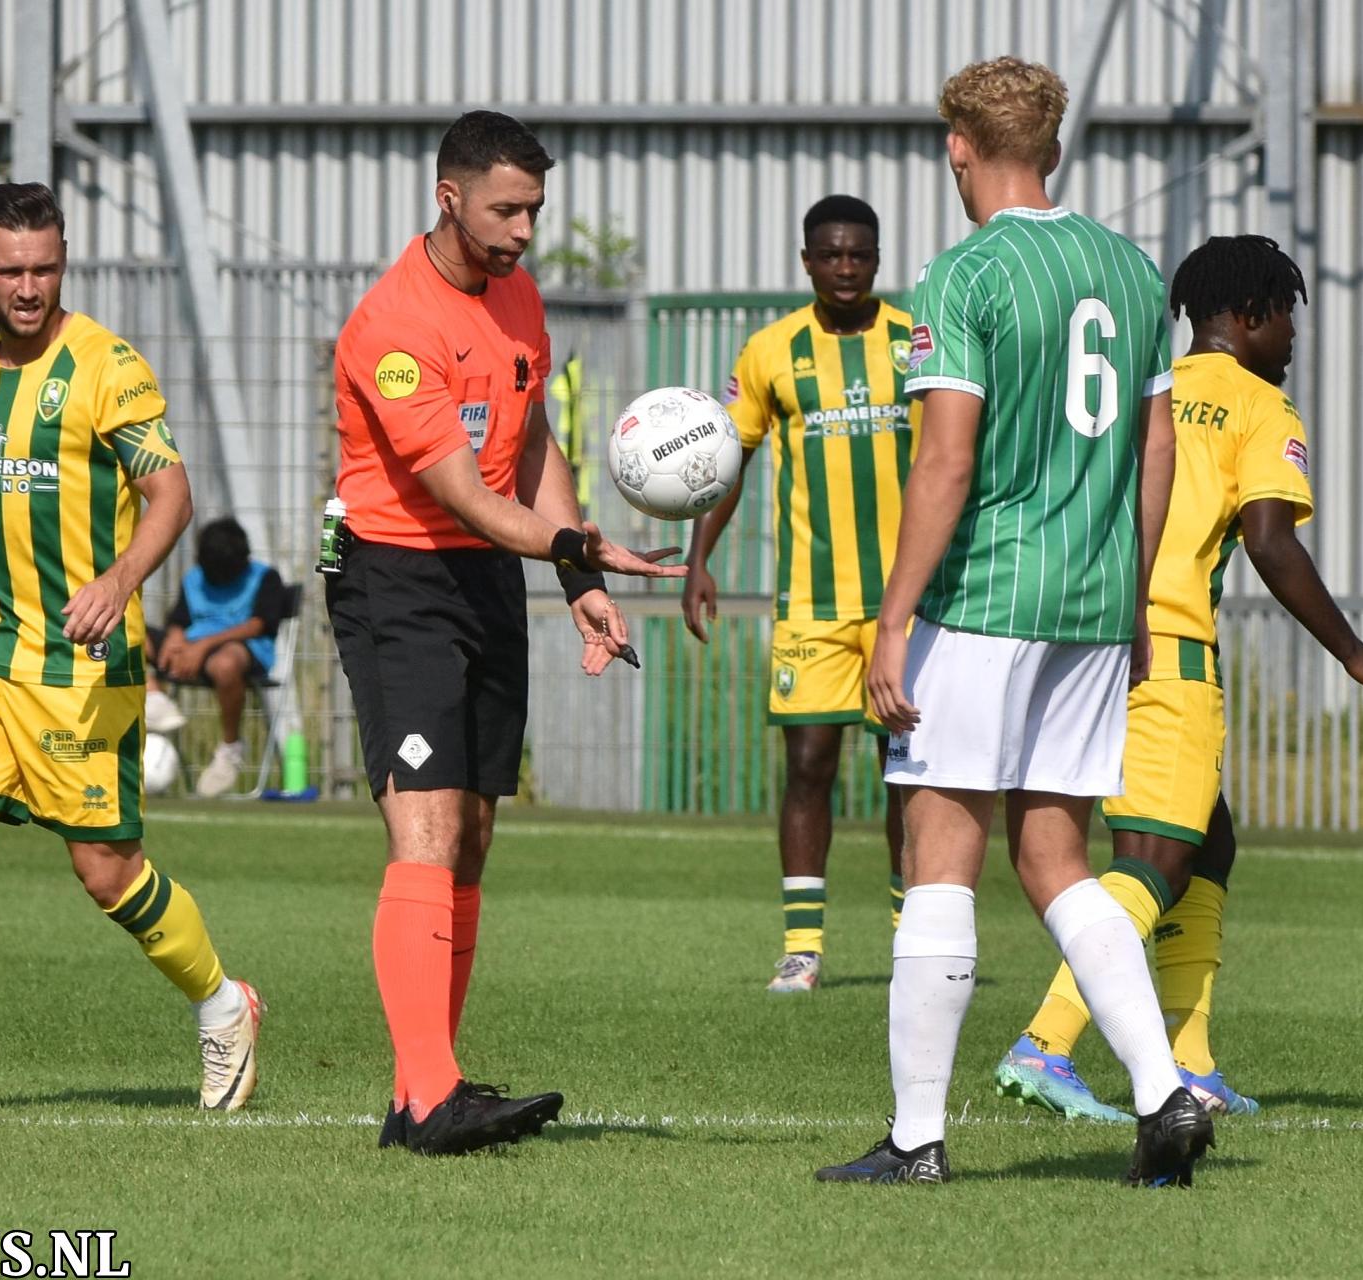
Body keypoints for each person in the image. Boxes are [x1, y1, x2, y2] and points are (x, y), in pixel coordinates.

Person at [815, 56, 1208, 1188]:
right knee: (1058, 855)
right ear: (1056, 146)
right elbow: (1158, 449)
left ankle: (917, 1138)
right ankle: (1161, 1090)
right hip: (1091, 604)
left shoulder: (961, 276)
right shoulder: (1132, 272)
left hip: (983, 600)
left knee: (941, 855)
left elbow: (945, 458)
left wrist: (893, 622)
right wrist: (1131, 601)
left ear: (959, 147)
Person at [0, 182, 261, 1115]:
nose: (28, 287)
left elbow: (172, 496)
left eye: (44, 267)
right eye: (10, 271)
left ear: (62, 259)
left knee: (104, 869)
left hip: (81, 669)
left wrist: (119, 583)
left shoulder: (108, 366)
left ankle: (223, 1004)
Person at [994, 234, 1363, 1121]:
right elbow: (1268, 539)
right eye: (1289, 314)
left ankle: (1190, 1056)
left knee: (1208, 842)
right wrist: (1353, 651)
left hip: (1076, 643)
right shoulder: (1261, 406)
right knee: (1154, 859)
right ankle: (1046, 1042)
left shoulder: (1135, 392)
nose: (1295, 335)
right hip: (1169, 654)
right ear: (1250, 314)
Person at [329, 110, 683, 1156]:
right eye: (507, 208)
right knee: (426, 828)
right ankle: (436, 1095)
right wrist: (579, 542)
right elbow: (460, 494)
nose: (526, 228)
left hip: (487, 577)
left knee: (473, 838)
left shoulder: (518, 297)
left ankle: (417, 1093)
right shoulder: (392, 325)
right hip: (396, 578)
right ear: (450, 198)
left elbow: (530, 445)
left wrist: (574, 575)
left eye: (534, 207)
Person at [682, 195, 918, 994]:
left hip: (907, 606)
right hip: (812, 605)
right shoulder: (771, 351)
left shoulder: (917, 342)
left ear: (876, 260)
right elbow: (726, 461)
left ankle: (910, 937)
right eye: (830, 255)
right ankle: (804, 947)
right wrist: (697, 560)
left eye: (859, 255)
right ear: (807, 259)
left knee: (909, 771)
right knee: (809, 767)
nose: (845, 268)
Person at [146, 516, 289, 797]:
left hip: (242, 651)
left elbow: (259, 624)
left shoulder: (265, 577)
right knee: (127, 632)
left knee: (225, 663)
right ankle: (153, 697)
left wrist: (203, 646)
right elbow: (179, 620)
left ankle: (230, 748)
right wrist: (175, 639)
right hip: (190, 649)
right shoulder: (194, 578)